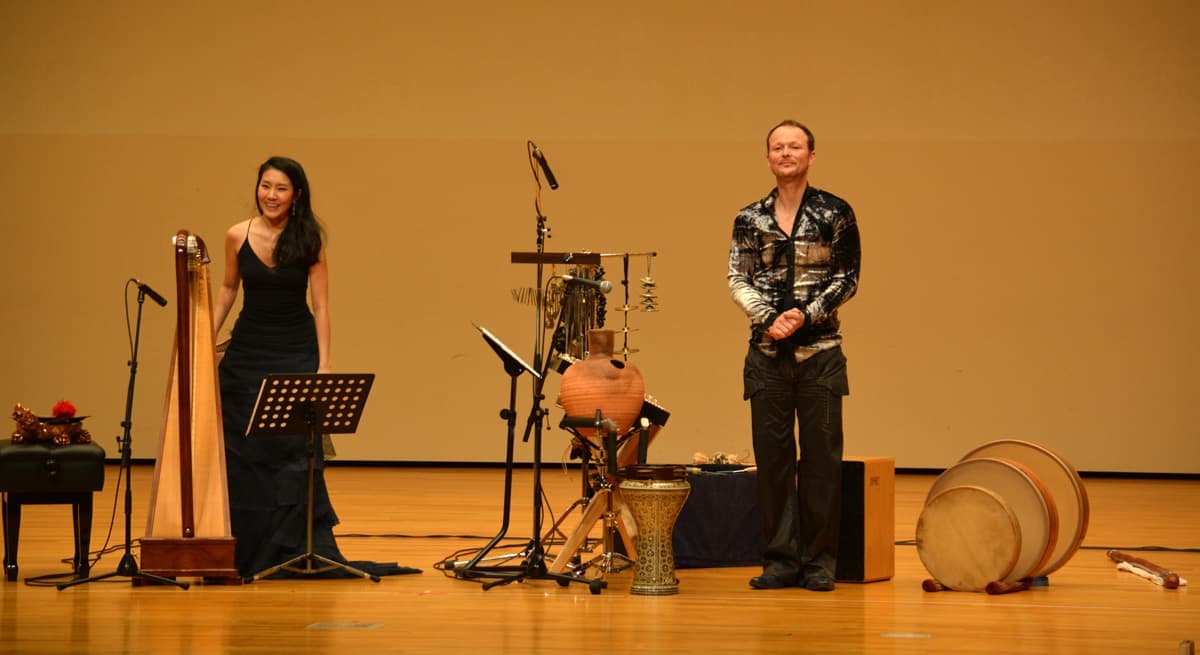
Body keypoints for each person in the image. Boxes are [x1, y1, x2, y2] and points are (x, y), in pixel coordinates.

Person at [213, 156, 408, 578]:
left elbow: (320, 305)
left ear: (296, 195)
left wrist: (325, 364)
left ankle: (290, 547)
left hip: (295, 351)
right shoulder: (236, 235)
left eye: (281, 188)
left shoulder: (309, 240)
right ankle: (248, 549)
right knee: (244, 455)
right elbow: (228, 288)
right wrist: (202, 341)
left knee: (292, 452)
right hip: (247, 353)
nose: (271, 195)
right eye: (265, 185)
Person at [727, 121, 862, 591]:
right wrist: (768, 317)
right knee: (773, 463)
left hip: (820, 355)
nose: (786, 153)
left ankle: (819, 563)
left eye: (795, 146)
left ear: (811, 156)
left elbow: (847, 278)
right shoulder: (750, 218)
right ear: (768, 157)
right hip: (766, 356)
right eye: (778, 147)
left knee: (822, 462)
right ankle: (781, 560)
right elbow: (737, 277)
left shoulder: (835, 212)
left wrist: (804, 315)